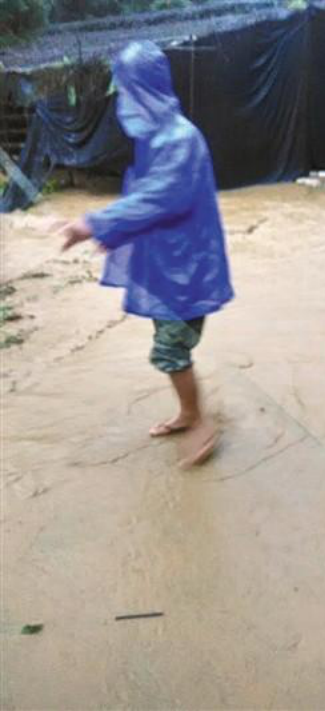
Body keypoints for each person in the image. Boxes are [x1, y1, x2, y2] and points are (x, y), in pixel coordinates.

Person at [62, 41, 234, 468]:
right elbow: (145, 200)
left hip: (187, 269)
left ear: (147, 88)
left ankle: (199, 422)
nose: (123, 100)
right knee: (169, 345)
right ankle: (188, 413)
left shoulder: (180, 139)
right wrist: (116, 231)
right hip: (167, 266)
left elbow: (159, 198)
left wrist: (94, 223)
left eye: (127, 89)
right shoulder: (155, 138)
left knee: (170, 351)